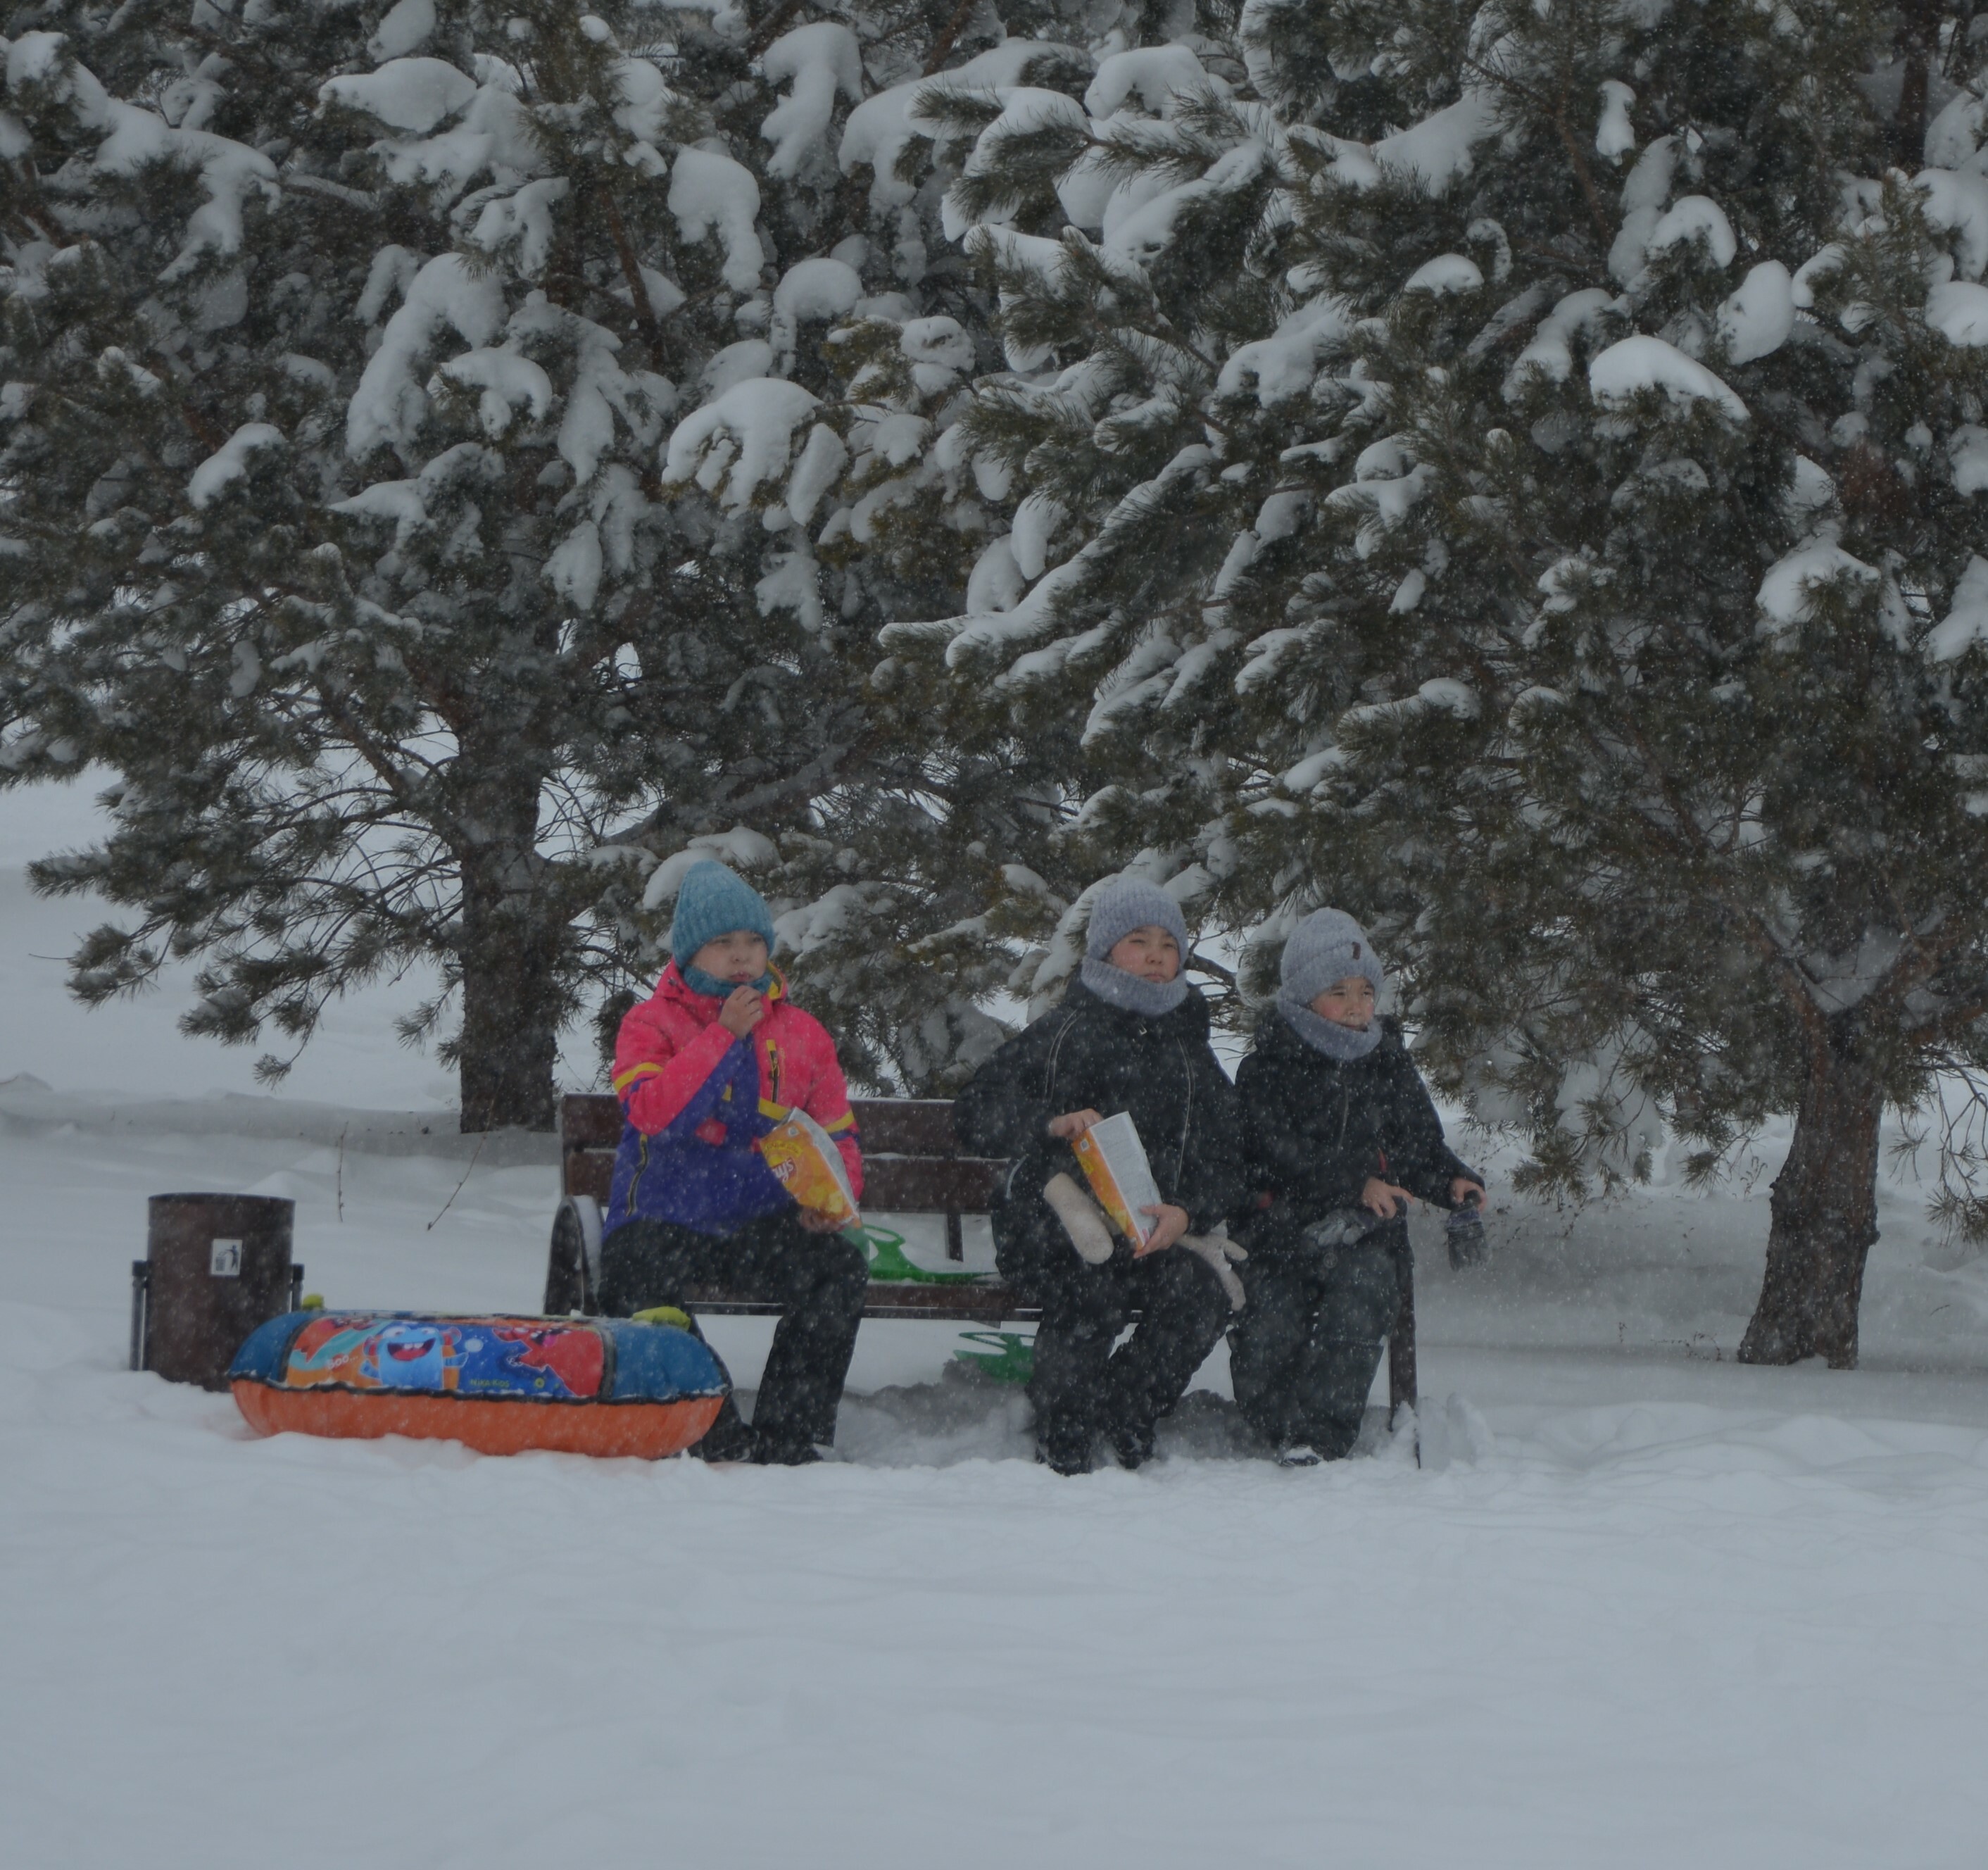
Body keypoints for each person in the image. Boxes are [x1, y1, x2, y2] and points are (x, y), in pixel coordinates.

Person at [954, 878, 1247, 1474]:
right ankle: (1063, 1430)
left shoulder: (1191, 1048)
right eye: (1139, 941)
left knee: (1199, 1294)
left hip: (1153, 1231)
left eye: (1169, 943)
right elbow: (975, 1112)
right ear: (1106, 950)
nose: (1157, 955)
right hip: (1052, 1229)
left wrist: (1187, 1210)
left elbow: (1230, 1152)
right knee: (1091, 1285)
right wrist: (1049, 1123)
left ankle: (1124, 1412)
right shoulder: (1066, 1031)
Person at [596, 860, 868, 1464]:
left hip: (760, 1221)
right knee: (632, 1280)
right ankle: (710, 1426)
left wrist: (834, 1201)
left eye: (753, 942)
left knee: (837, 1270)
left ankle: (786, 1437)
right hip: (667, 1216)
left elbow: (837, 1134)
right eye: (724, 943)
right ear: (693, 953)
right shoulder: (649, 1023)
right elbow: (655, 1114)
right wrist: (721, 1036)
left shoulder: (803, 1033)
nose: (743, 957)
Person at [1228, 908, 1485, 1465]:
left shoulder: (1385, 1063)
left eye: (1366, 992)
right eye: (1338, 991)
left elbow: (1416, 1142)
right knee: (1270, 1320)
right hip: (1280, 1230)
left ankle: (1321, 1436)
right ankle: (1275, 1423)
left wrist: (1451, 1180)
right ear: (1301, 997)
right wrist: (1352, 1180)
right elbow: (1275, 1152)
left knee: (1360, 1302)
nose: (1355, 1006)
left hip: (1367, 1237)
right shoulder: (1268, 1067)